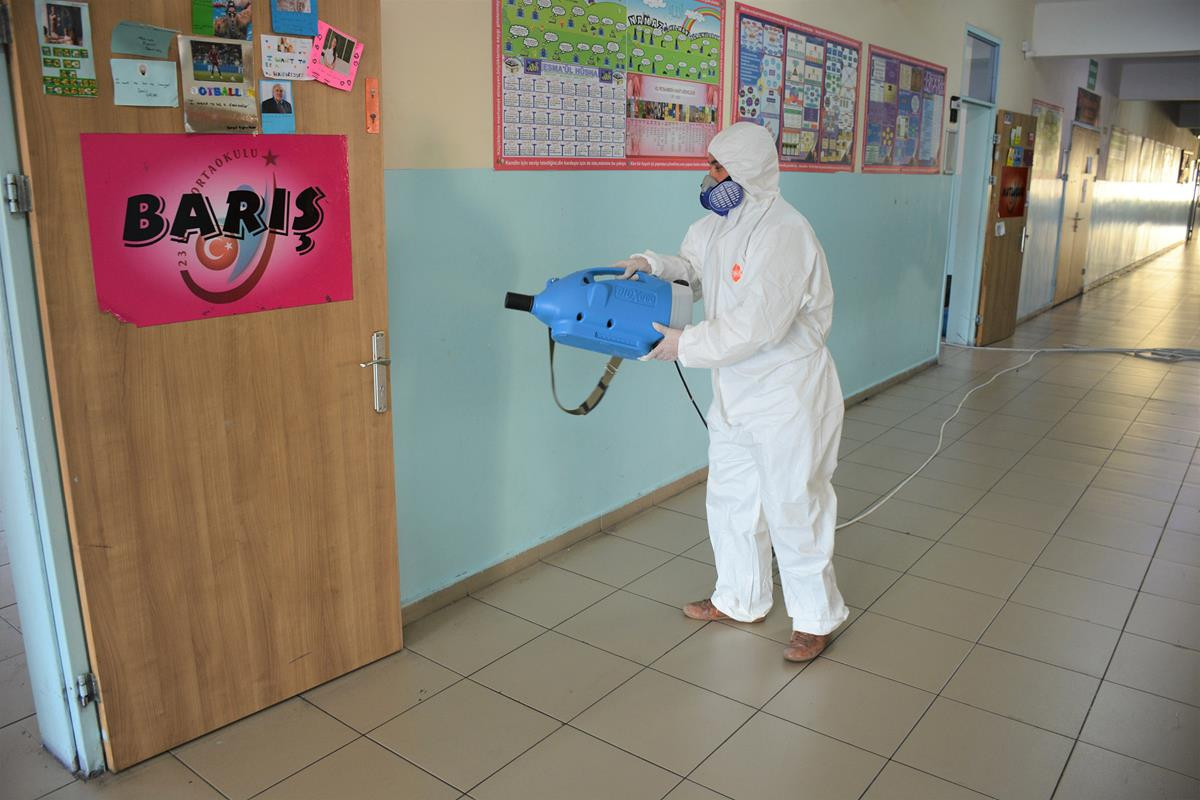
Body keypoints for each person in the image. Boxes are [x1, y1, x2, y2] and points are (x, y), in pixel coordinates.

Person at [615, 122, 847, 662]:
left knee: (794, 503)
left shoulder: (786, 233)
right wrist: (653, 266)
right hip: (735, 389)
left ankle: (816, 617)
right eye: (710, 166)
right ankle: (741, 598)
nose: (709, 177)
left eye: (718, 168)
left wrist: (685, 344)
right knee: (731, 498)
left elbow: (758, 325)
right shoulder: (715, 225)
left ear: (747, 170)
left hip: (787, 391)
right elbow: (694, 272)